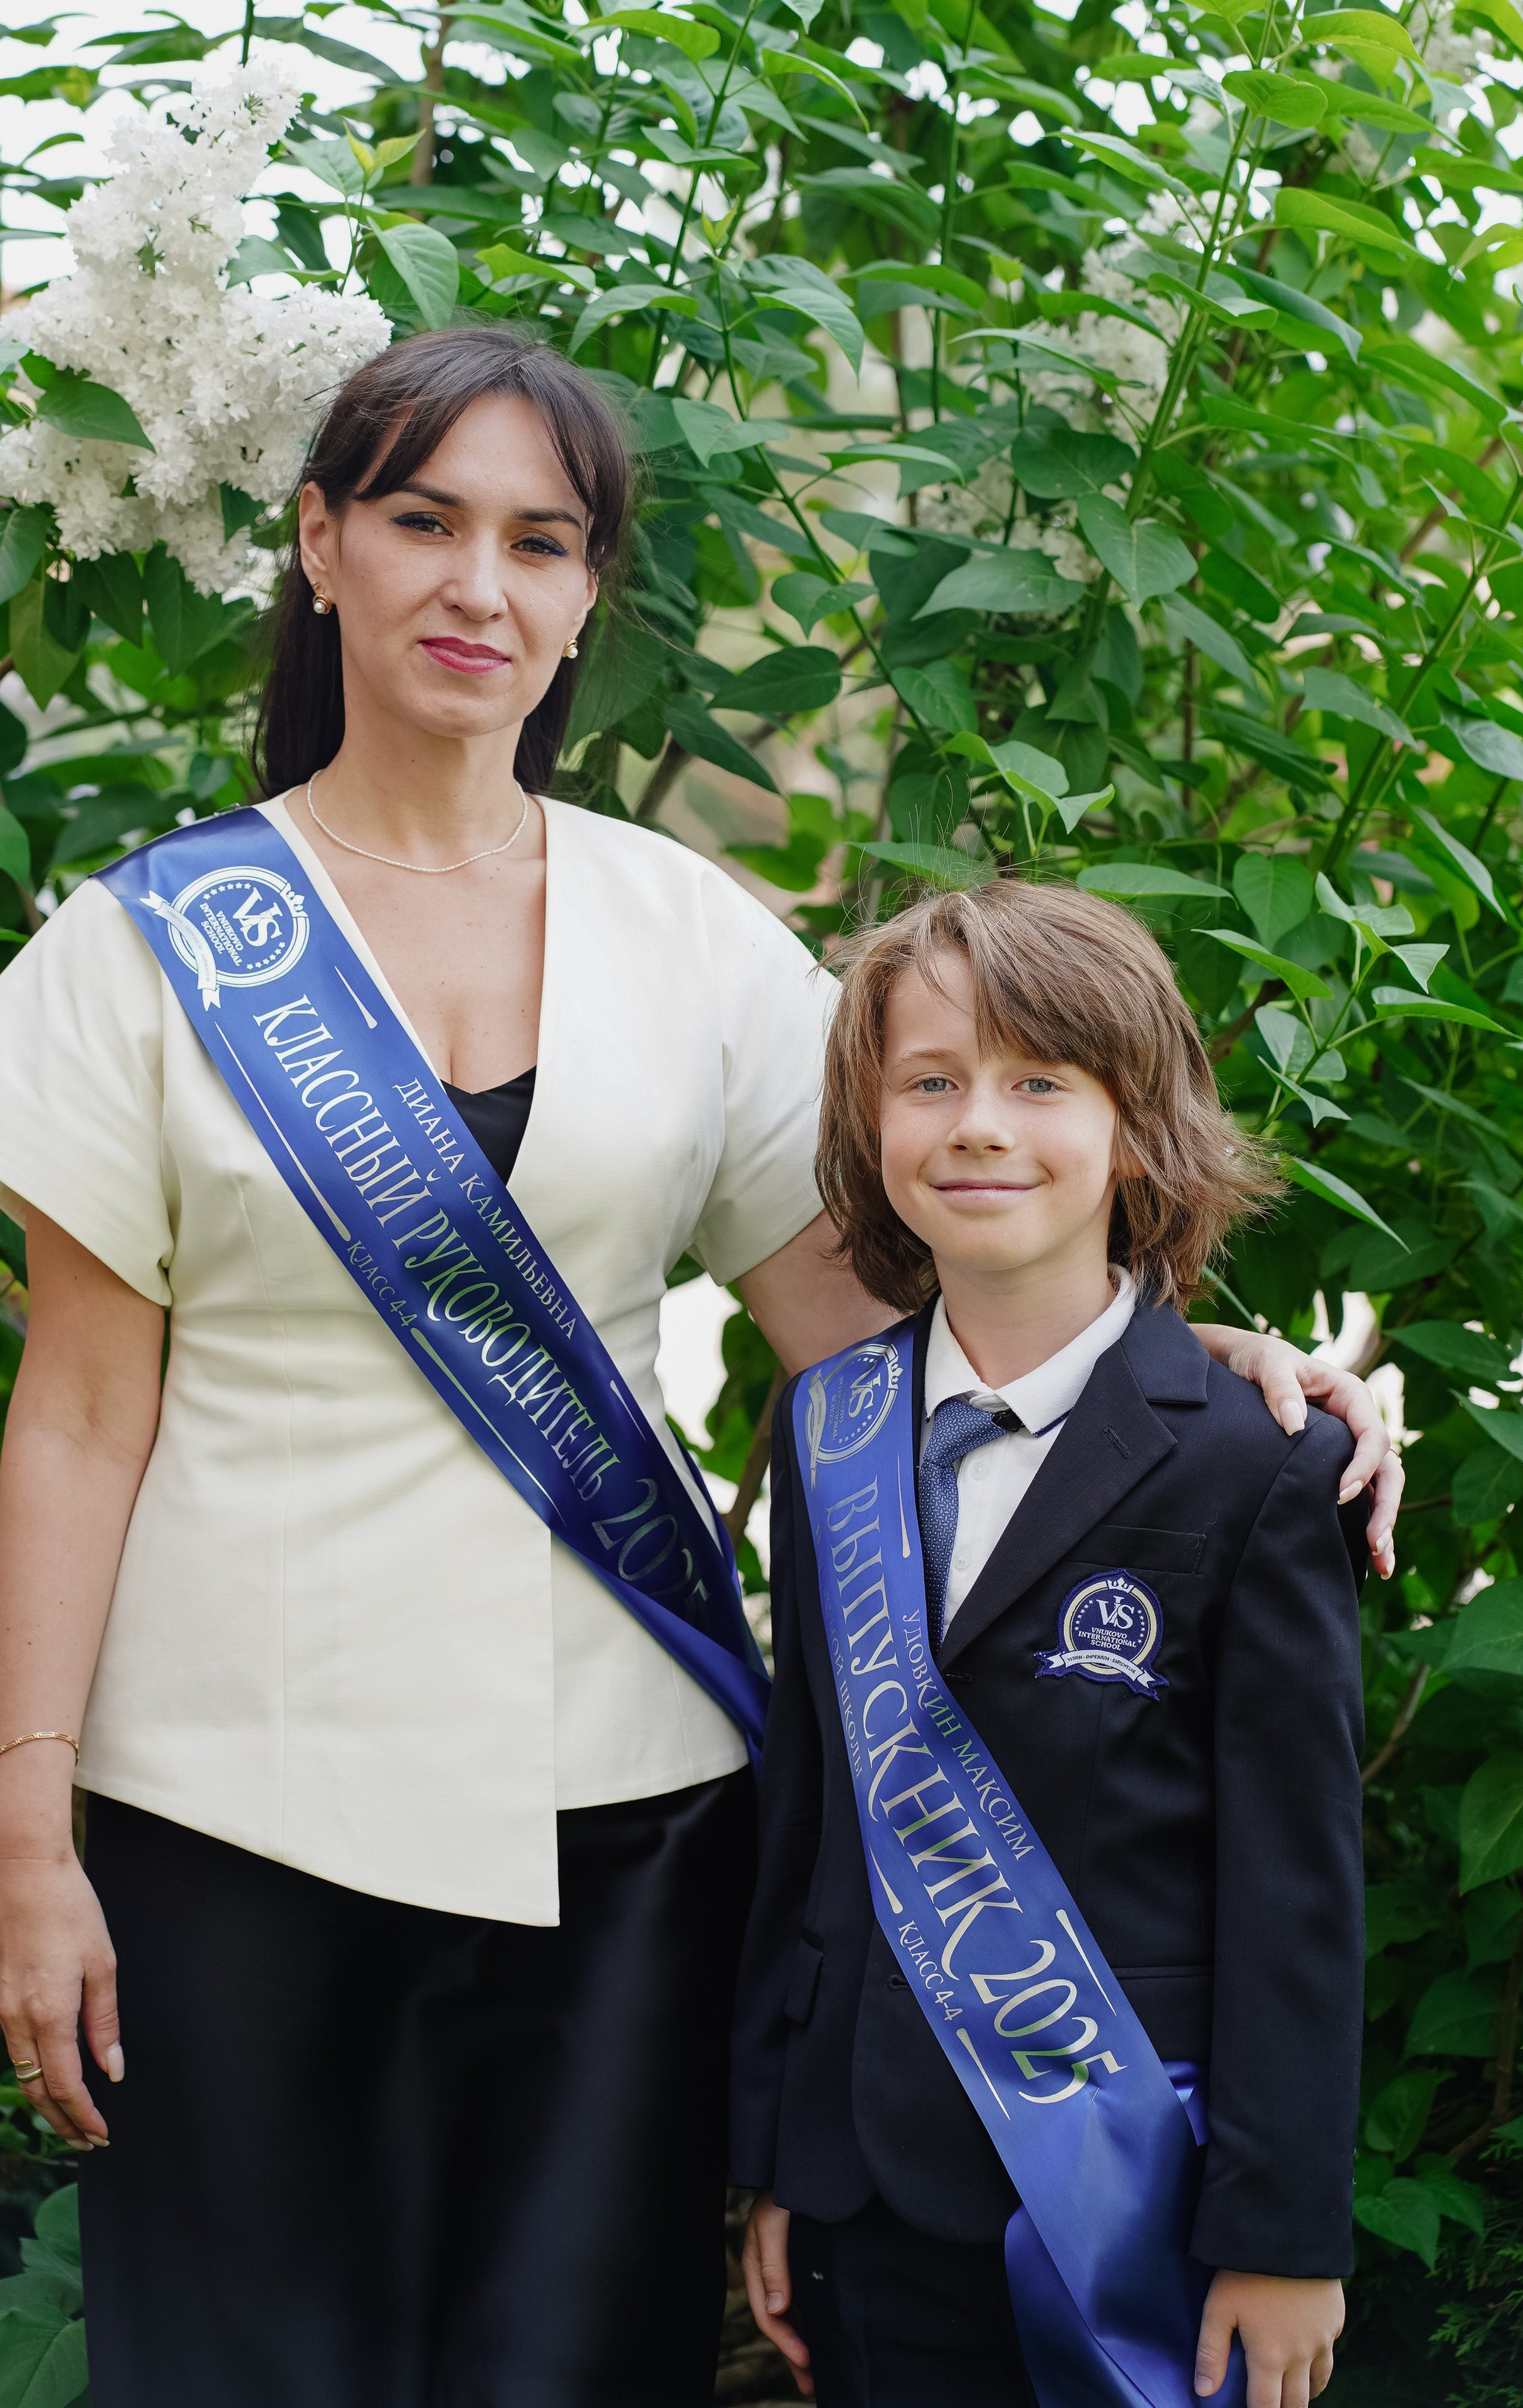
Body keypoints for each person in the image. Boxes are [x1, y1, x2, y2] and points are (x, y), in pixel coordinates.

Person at [0, 325, 1394, 2408]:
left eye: (540, 543)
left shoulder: (699, 940)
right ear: (318, 544)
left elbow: (889, 1328)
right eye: (424, 523)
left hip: (631, 1818)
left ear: (588, 594)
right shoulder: (139, 953)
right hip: (232, 1820)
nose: (480, 587)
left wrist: (1194, 1372)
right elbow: (79, 1414)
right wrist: (26, 1833)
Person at [734, 882, 1369, 2408]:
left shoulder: (1254, 1462)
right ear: (869, 1126)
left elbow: (1295, 1883)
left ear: (1135, 1131)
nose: (976, 1126)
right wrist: (780, 2156)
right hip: (863, 2184)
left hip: (1133, 2187)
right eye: (928, 1081)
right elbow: (806, 1821)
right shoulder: (824, 1428)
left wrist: (1283, 2234)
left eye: (1038, 1083)